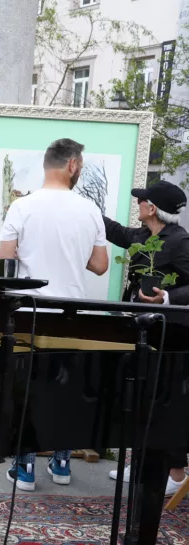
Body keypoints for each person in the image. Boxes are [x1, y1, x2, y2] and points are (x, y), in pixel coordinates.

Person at [0, 137, 109, 491]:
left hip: (31, 310)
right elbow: (101, 265)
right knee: (65, 389)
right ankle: (61, 464)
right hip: (71, 311)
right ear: (72, 164)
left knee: (28, 387)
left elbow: (3, 261)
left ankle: (26, 467)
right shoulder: (89, 209)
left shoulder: (22, 207)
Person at [104, 180, 189, 497]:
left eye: (142, 200)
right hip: (143, 331)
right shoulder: (141, 236)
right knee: (141, 396)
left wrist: (168, 296)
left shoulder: (180, 241)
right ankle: (141, 464)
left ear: (152, 208)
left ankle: (176, 473)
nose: (137, 203)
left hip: (175, 335)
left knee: (169, 402)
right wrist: (75, 204)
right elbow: (114, 231)